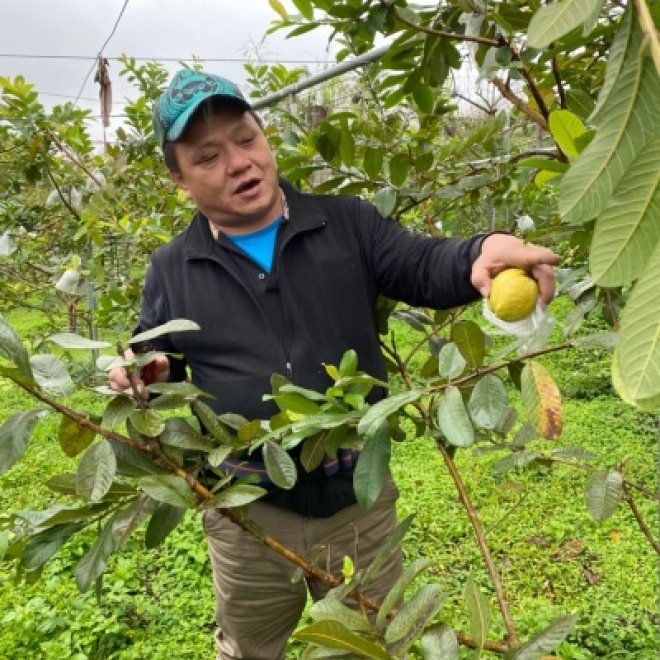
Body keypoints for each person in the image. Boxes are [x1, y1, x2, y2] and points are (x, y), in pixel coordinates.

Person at [109, 69, 560, 659]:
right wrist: (146, 373)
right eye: (209, 156)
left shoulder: (347, 222)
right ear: (180, 181)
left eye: (246, 139)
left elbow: (423, 263)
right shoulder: (171, 267)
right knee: (250, 648)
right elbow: (155, 348)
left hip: (358, 504)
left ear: (264, 137)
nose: (239, 163)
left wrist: (481, 251)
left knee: (369, 644)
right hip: (247, 512)